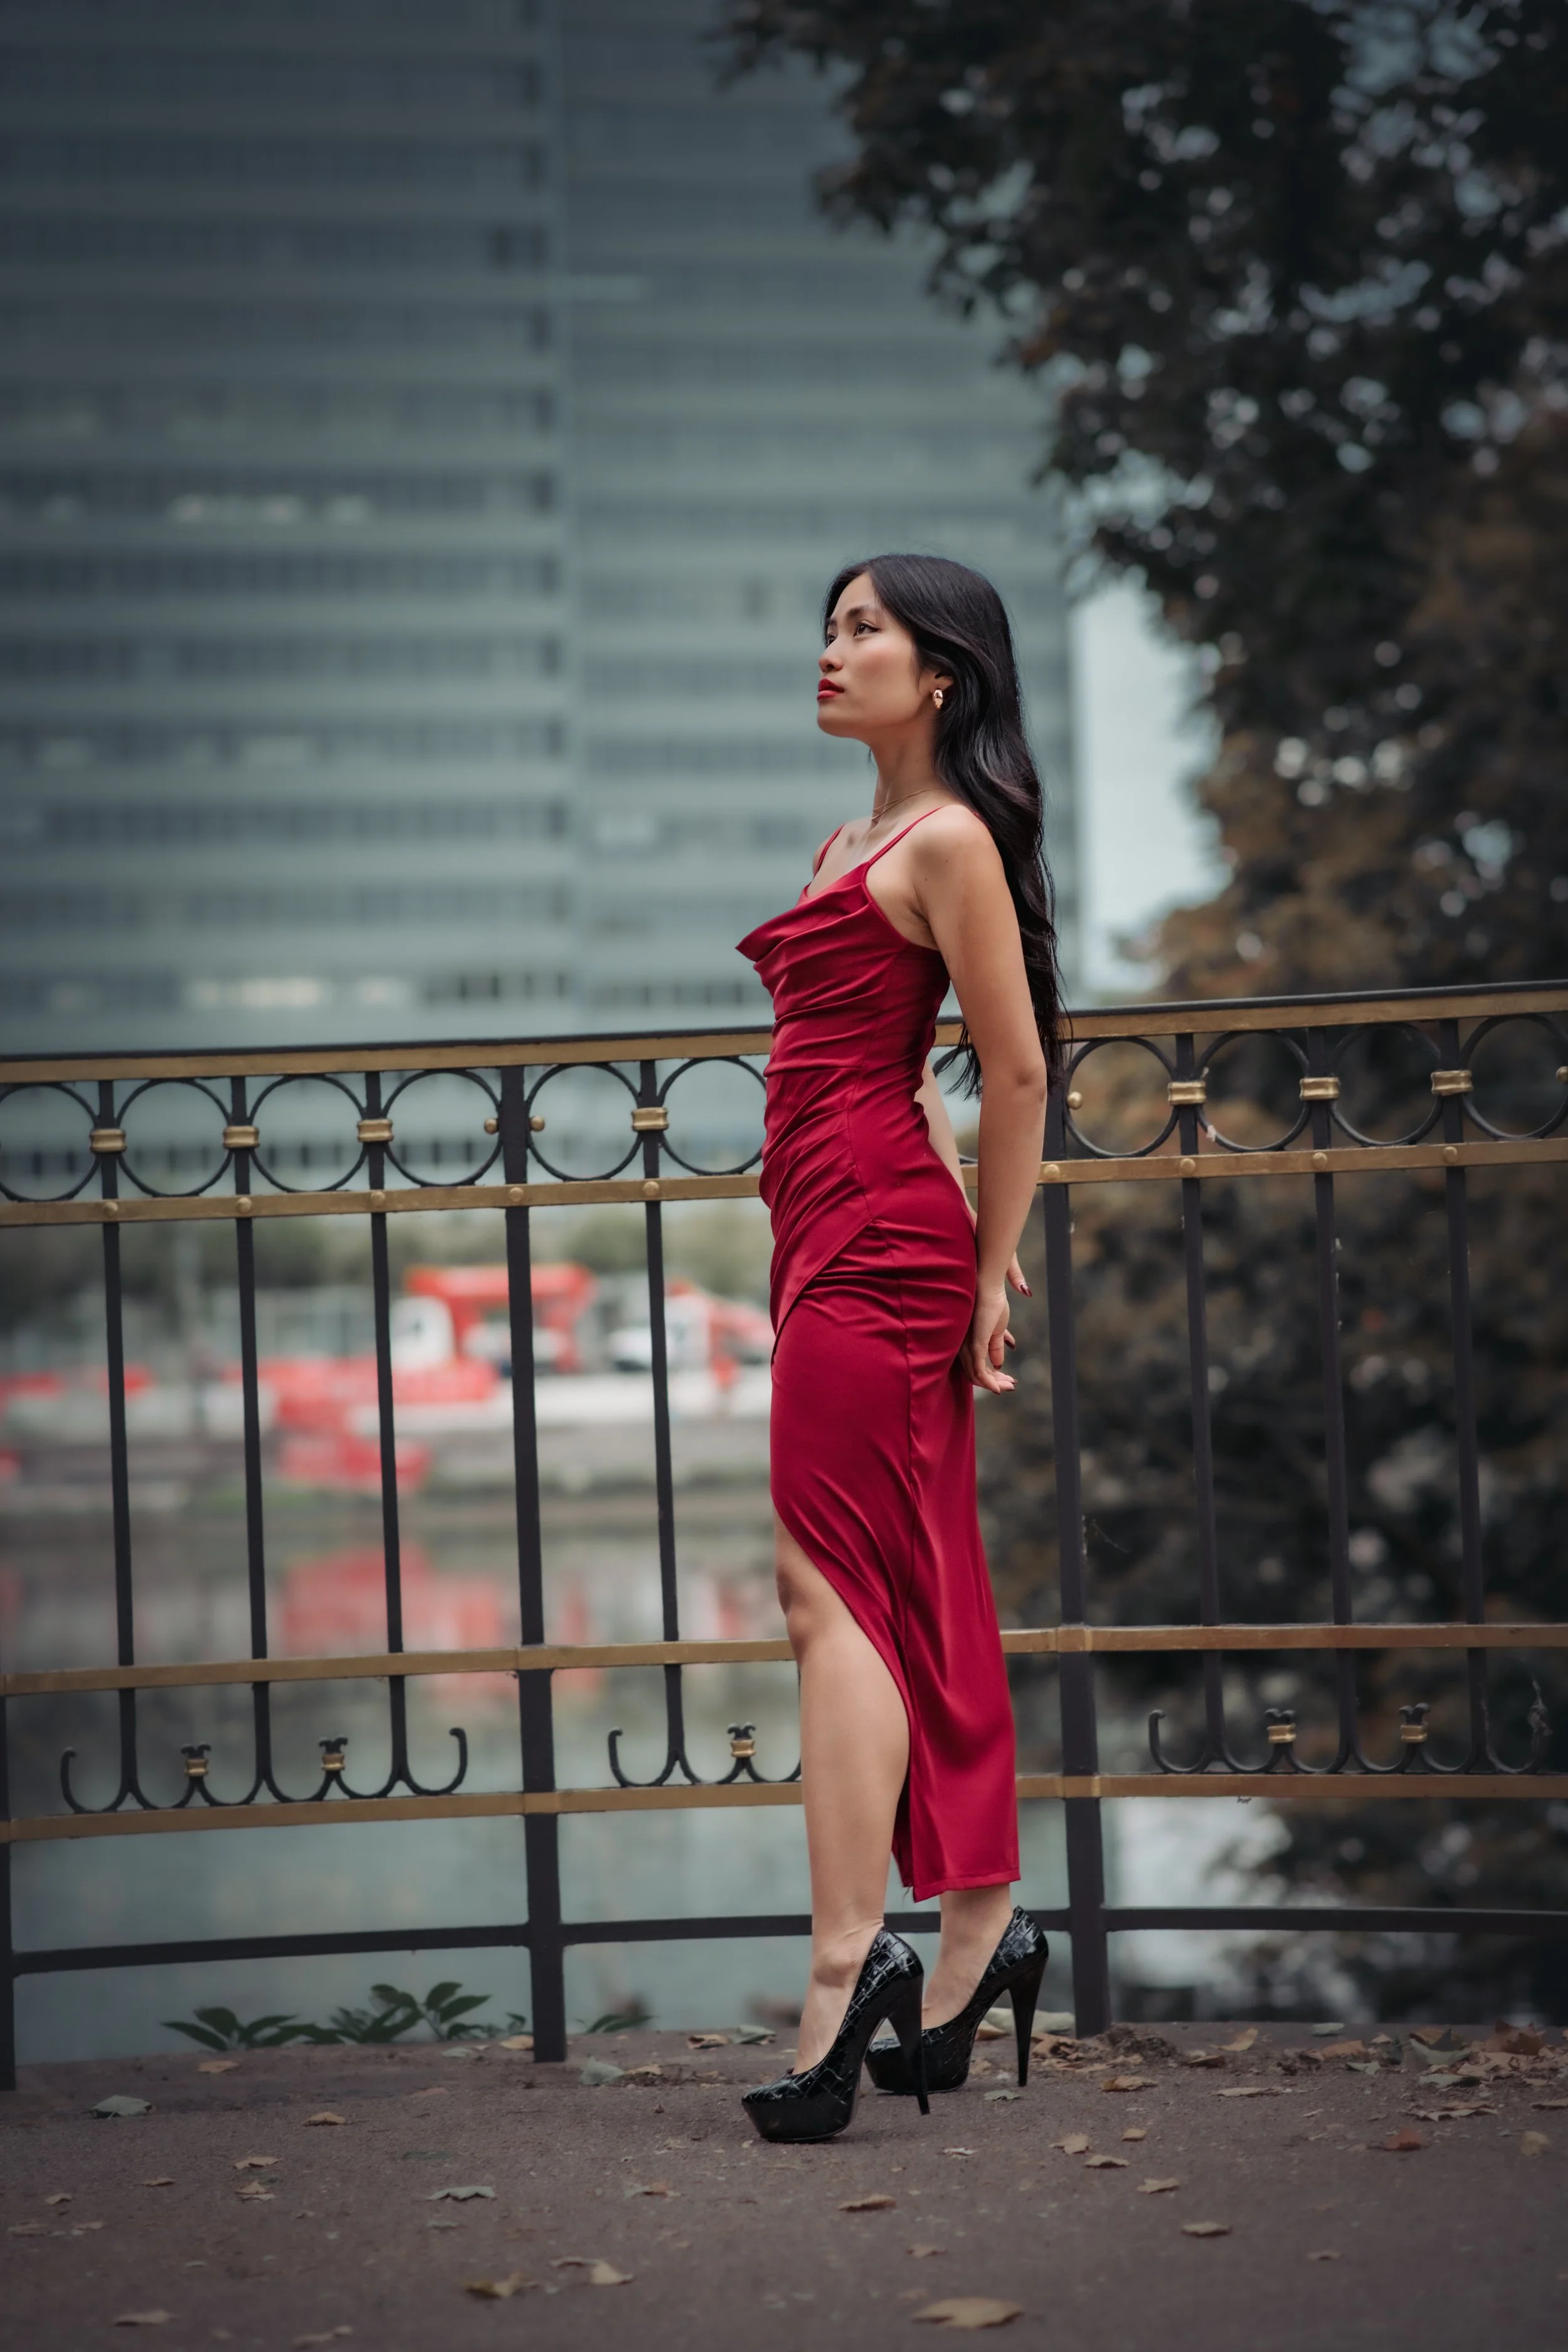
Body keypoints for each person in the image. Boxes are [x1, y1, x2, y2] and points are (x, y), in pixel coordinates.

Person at [736, 553, 1063, 2144]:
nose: (831, 648)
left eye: (864, 628)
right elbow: (904, 1072)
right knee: (911, 1578)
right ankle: (980, 1937)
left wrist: (986, 1270)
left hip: (882, 1248)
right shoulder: (846, 840)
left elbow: (1012, 1072)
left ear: (940, 673)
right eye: (830, 623)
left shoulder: (946, 845)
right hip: (837, 1232)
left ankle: (842, 1969)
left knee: (828, 1590)